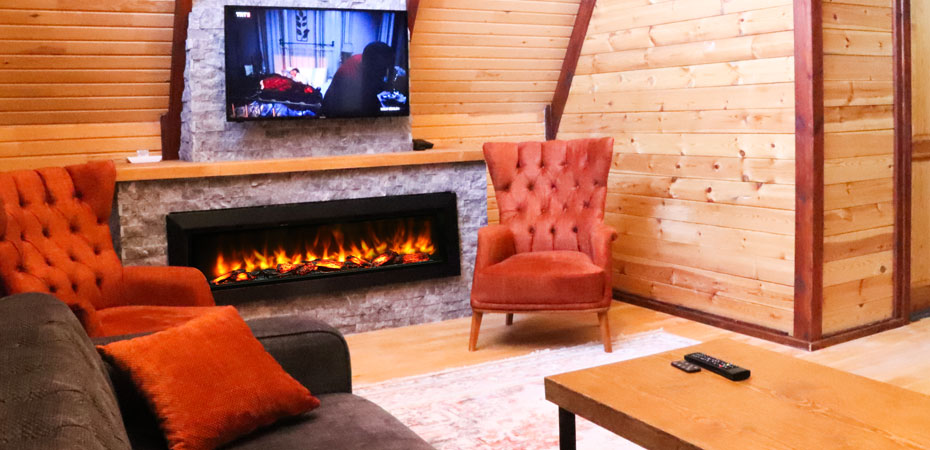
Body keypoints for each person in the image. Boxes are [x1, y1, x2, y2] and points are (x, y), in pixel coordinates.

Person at [322, 42, 394, 117]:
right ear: (369, 65)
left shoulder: (361, 58)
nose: (384, 74)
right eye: (381, 69)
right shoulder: (352, 81)